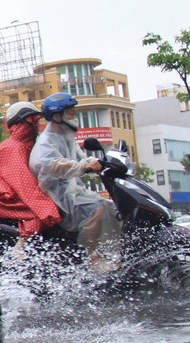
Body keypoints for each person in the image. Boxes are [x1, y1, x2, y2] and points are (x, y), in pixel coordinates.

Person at [27, 92, 121, 273]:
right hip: (59, 198)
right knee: (96, 209)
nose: (74, 117)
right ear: (57, 116)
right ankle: (94, 259)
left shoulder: (66, 137)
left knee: (113, 207)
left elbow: (81, 158)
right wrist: (84, 167)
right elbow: (53, 164)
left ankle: (116, 254)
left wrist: (99, 163)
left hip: (75, 192)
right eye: (70, 113)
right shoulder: (46, 143)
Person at [0, 101, 63, 241]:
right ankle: (21, 246)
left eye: (37, 122)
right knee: (41, 212)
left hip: (5, 195)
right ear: (23, 123)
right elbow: (25, 184)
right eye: (33, 122)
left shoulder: (26, 146)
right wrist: (48, 208)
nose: (36, 126)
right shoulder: (16, 148)